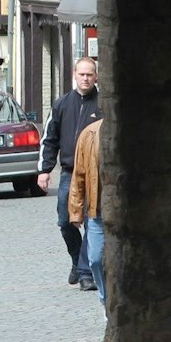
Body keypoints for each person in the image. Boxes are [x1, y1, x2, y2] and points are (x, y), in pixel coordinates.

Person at [38, 56, 102, 291]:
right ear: (74, 75)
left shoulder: (103, 105)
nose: (85, 78)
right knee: (66, 221)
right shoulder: (61, 104)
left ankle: (85, 273)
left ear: (96, 77)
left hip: (94, 173)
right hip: (68, 173)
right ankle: (77, 261)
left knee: (91, 221)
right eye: (81, 74)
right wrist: (44, 170)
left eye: (89, 74)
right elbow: (49, 139)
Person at [67, 118, 106, 306]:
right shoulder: (89, 133)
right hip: (97, 213)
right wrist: (75, 210)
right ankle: (106, 301)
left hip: (122, 214)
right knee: (96, 260)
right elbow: (79, 175)